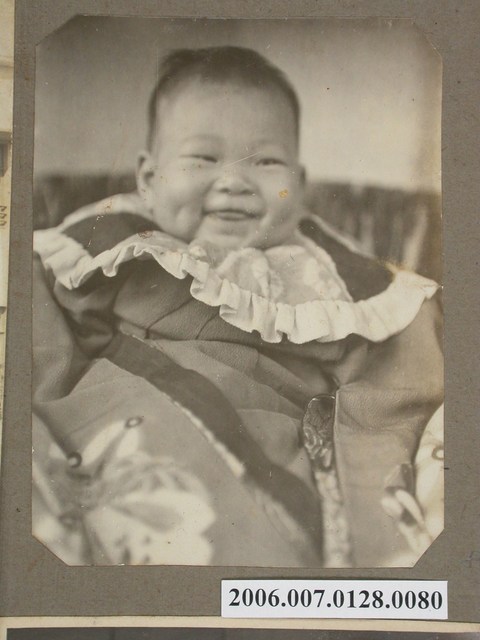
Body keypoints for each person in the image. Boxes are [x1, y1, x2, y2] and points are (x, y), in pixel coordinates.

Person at [32, 46, 443, 568]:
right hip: (134, 407)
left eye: (266, 162)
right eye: (202, 159)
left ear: (300, 185)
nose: (233, 181)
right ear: (148, 178)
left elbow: (400, 363)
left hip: (275, 438)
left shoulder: (331, 273)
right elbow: (43, 331)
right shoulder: (106, 242)